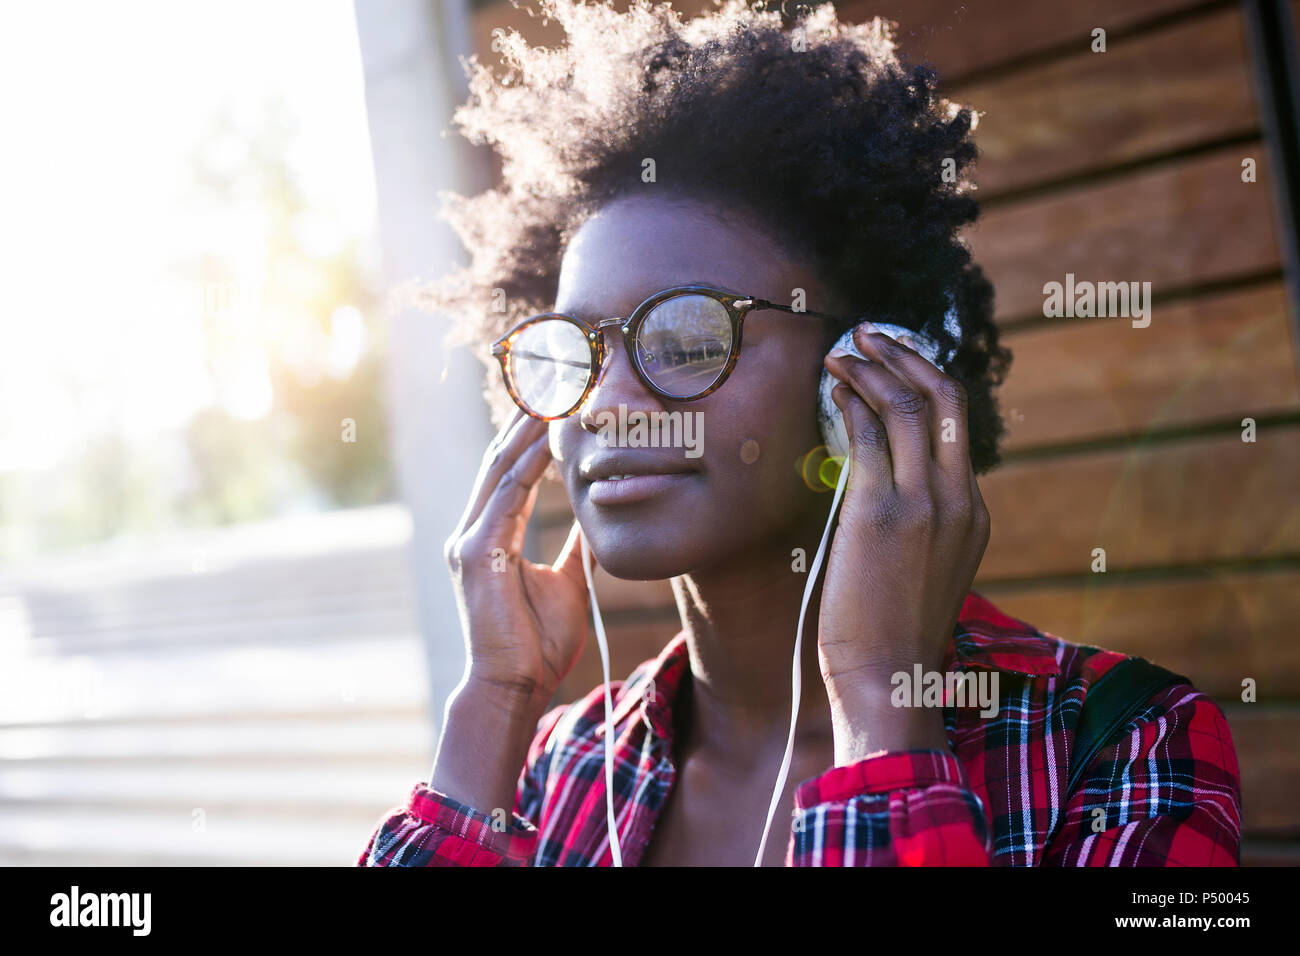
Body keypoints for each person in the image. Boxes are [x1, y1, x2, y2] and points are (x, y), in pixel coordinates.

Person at [358, 0, 1241, 866]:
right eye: (576, 349)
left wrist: (881, 702)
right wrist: (492, 705)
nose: (604, 401)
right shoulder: (555, 772)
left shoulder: (1124, 747)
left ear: (870, 364)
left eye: (690, 337)